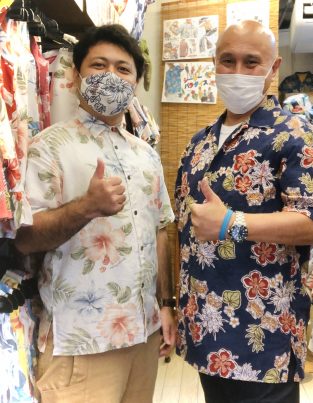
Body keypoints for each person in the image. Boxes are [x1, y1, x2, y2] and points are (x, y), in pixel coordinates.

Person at [175, 20, 313, 403]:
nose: (237, 72)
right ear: (214, 63)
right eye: (227, 60)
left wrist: (232, 224)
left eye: (251, 62)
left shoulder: (294, 134)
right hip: (205, 330)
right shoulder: (199, 143)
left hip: (262, 338)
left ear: (273, 67)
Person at [15, 24, 176, 403]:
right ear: (75, 76)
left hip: (144, 334)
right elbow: (25, 238)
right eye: (99, 65)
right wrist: (86, 208)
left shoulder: (146, 154)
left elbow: (161, 230)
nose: (111, 76)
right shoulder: (49, 147)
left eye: (123, 69)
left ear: (136, 83)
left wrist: (166, 306)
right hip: (81, 341)